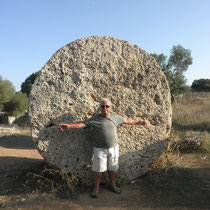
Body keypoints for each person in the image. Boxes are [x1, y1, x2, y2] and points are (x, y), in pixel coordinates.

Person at [59, 98, 146, 198]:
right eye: (103, 106)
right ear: (99, 107)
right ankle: (96, 188)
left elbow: (126, 120)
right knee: (98, 170)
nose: (105, 108)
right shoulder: (95, 119)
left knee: (112, 169)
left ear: (110, 107)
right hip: (100, 149)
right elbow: (82, 124)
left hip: (113, 148)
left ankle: (112, 185)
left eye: (107, 106)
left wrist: (138, 122)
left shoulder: (115, 117)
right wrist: (69, 126)